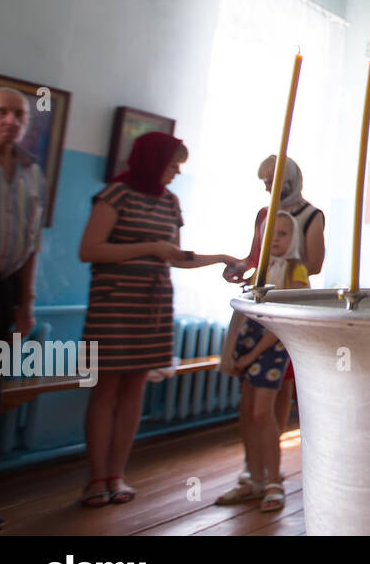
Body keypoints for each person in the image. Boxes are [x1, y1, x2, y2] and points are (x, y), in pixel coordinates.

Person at [77, 132, 236, 506]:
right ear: (152, 160)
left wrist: (224, 259)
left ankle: (117, 474)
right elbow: (90, 249)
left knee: (134, 389)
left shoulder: (170, 203)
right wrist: (149, 247)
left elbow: (176, 255)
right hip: (114, 306)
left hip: (153, 306)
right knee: (106, 390)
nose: (177, 172)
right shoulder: (116, 194)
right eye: (172, 164)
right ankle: (96, 478)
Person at [223, 155, 325, 443]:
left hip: (290, 299)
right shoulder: (264, 214)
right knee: (254, 384)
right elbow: (256, 258)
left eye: (271, 181)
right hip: (262, 300)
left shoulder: (311, 215)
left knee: (283, 379)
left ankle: (273, 452)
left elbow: (314, 264)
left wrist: (286, 265)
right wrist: (242, 269)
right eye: (265, 182)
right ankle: (257, 461)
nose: (267, 188)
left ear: (288, 181)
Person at [215, 210, 308, 512]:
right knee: (246, 413)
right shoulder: (260, 271)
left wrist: (252, 356)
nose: (277, 239)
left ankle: (272, 480)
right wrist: (229, 353)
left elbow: (283, 322)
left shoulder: (295, 271)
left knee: (261, 413)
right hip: (248, 347)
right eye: (272, 234)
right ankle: (253, 478)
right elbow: (240, 312)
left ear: (293, 237)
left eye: (283, 233)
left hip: (271, 348)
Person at [0, 87, 45, 532]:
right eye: (1, 112)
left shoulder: (31, 172)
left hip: (4, 291)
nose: (11, 120)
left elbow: (31, 243)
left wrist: (25, 302)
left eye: (19, 114)